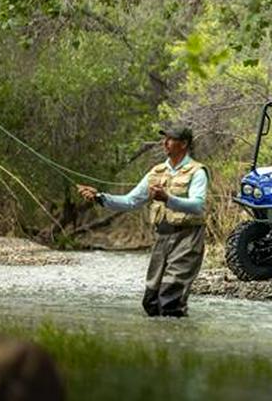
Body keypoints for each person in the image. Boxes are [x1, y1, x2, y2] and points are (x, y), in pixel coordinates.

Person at [77, 126, 208, 317]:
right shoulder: (156, 172)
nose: (164, 143)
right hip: (162, 237)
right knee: (151, 302)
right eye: (164, 139)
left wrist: (168, 198)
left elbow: (197, 205)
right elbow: (130, 201)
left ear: (184, 144)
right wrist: (99, 197)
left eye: (169, 139)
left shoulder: (197, 172)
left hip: (187, 238)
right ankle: (159, 343)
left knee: (170, 301)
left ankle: (178, 344)